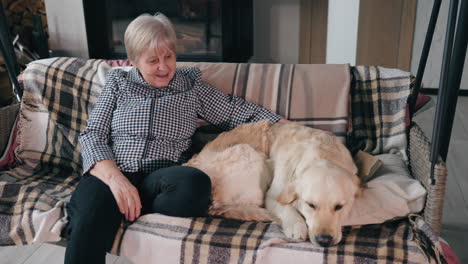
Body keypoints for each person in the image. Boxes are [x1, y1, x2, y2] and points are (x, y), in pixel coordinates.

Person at [64, 12, 287, 264]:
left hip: (161, 181)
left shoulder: (190, 87)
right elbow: (93, 133)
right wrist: (116, 180)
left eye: (168, 56)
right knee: (88, 217)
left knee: (195, 184)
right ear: (134, 60)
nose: (164, 67)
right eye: (152, 60)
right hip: (114, 172)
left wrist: (288, 127)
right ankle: (112, 206)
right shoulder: (118, 84)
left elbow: (237, 110)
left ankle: (127, 208)